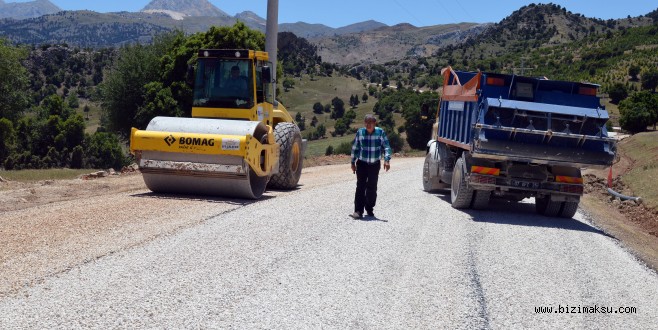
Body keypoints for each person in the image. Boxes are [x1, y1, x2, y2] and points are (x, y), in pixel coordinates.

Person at [349, 114, 392, 219]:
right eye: (366, 122)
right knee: (360, 187)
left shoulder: (380, 132)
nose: (368, 125)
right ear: (364, 123)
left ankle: (369, 208)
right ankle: (358, 211)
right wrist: (352, 162)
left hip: (374, 165)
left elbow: (387, 147)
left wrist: (387, 160)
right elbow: (355, 148)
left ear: (374, 123)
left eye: (371, 122)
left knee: (372, 188)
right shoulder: (360, 132)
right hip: (362, 164)